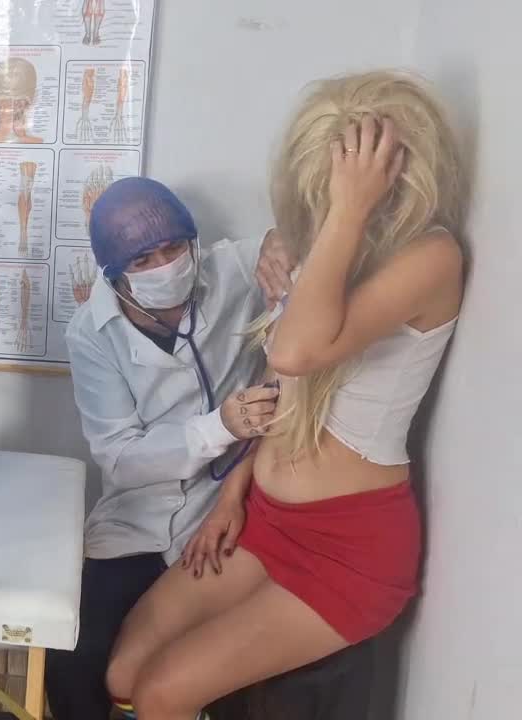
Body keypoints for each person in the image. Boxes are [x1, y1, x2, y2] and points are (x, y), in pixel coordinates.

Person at [105, 70, 464, 719]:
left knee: (162, 694)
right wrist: (234, 495)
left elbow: (295, 351)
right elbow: (285, 389)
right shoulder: (334, 247)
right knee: (125, 674)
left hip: (348, 551)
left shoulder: (431, 256)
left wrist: (345, 213)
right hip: (266, 517)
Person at [46, 175, 285, 720]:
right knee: (75, 660)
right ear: (115, 274)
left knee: (206, 665)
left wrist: (281, 240)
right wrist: (220, 426)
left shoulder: (231, 270)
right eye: (143, 259)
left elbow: (296, 243)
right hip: (138, 519)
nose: (165, 265)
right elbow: (120, 457)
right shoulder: (92, 333)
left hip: (228, 508)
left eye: (175, 247)